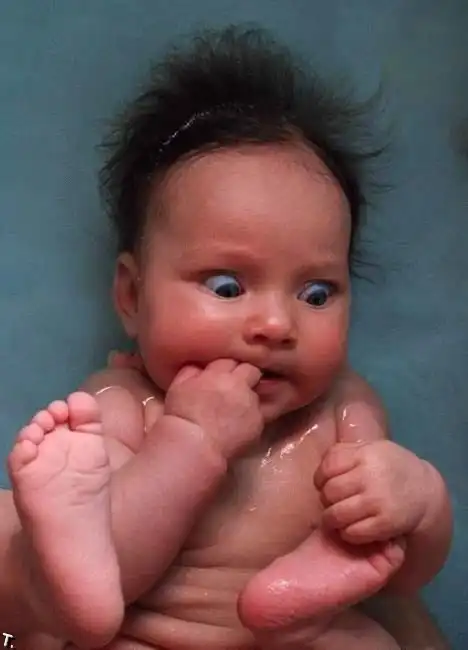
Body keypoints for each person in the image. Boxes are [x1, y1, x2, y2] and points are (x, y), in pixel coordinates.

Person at [2, 25, 452, 650]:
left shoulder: (343, 411)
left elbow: (404, 575)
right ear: (132, 296)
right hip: (153, 635)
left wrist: (418, 503)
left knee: (372, 640)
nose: (276, 325)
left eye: (316, 294)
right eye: (227, 286)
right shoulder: (122, 407)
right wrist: (191, 443)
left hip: (299, 634)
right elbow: (106, 575)